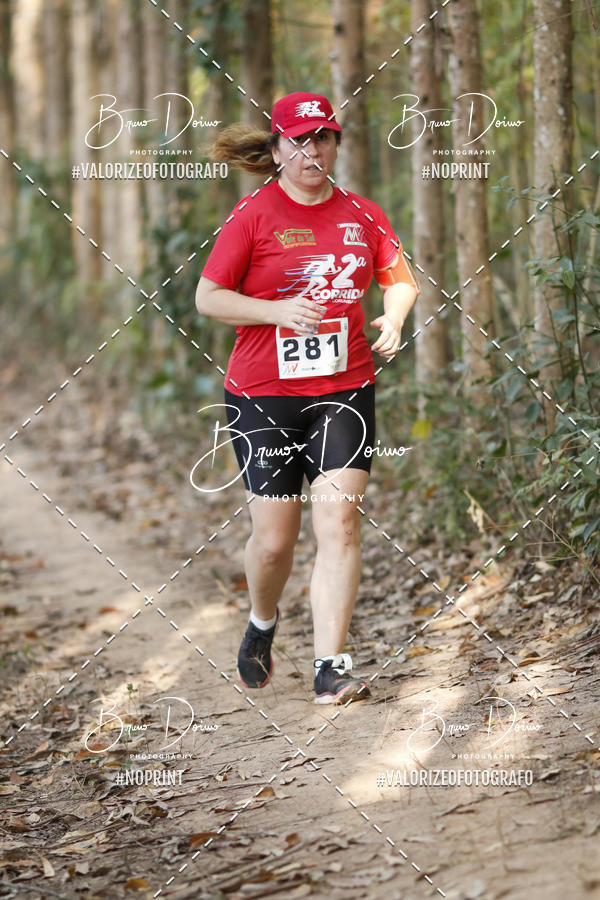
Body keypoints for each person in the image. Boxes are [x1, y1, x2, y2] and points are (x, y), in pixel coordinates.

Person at [195, 91, 419, 704]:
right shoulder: (253, 214)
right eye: (297, 140)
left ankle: (330, 667)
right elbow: (208, 297)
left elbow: (400, 281)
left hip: (345, 388)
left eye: (321, 137)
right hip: (263, 394)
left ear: (336, 145)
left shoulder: (363, 213)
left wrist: (395, 316)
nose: (310, 149)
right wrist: (277, 312)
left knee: (340, 525)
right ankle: (262, 620)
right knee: (275, 541)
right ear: (276, 150)